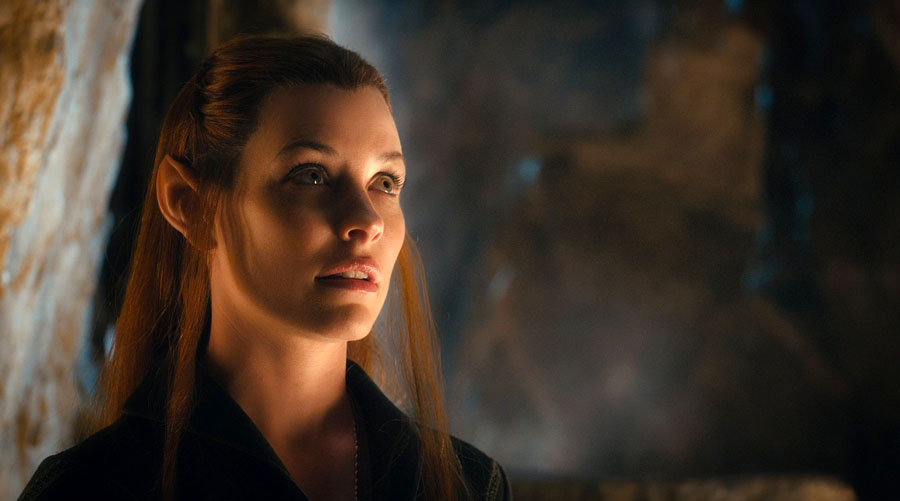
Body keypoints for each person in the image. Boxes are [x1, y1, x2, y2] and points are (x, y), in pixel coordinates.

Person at [20, 35, 510, 500]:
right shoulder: (88, 489)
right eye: (312, 175)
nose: (367, 222)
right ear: (189, 203)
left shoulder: (469, 486)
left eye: (385, 182)